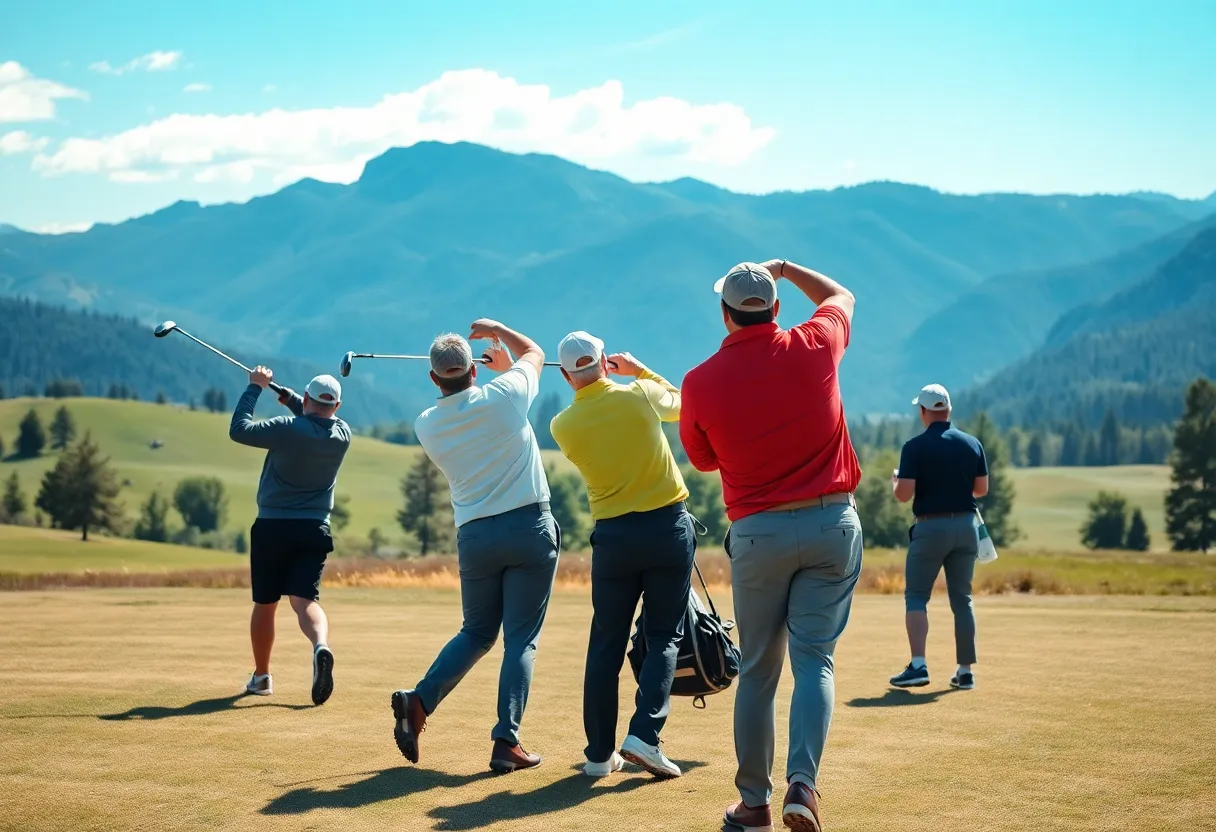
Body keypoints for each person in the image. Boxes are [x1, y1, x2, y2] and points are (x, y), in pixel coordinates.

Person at [681, 260, 862, 832]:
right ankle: (802, 786)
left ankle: (755, 804)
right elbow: (841, 295)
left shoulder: (700, 380)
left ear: (725, 314)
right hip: (833, 525)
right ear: (778, 308)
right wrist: (785, 268)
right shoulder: (815, 343)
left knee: (760, 670)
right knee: (815, 663)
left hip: (758, 533)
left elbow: (704, 459)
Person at [391, 319, 560, 774]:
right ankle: (507, 741)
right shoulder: (505, 395)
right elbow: (537, 351)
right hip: (528, 527)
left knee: (477, 633)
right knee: (520, 639)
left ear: (433, 379)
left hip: (475, 537)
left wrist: (500, 370)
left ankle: (420, 701)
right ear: (475, 370)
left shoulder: (427, 425)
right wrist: (497, 332)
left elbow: (483, 392)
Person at [549, 331, 694, 781]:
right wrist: (642, 370)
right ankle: (644, 737)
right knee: (664, 635)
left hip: (612, 538)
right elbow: (683, 404)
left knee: (605, 644)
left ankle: (597, 756)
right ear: (605, 363)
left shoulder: (562, 426)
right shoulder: (642, 395)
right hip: (667, 529)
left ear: (569, 376)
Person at [229, 368, 351, 706]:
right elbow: (314, 419)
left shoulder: (286, 428)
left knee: (266, 604)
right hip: (314, 529)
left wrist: (255, 388)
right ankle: (320, 646)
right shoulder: (342, 434)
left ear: (309, 398)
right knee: (304, 601)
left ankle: (262, 676)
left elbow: (239, 430)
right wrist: (288, 398)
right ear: (337, 407)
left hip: (272, 527)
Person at [889, 383, 988, 692]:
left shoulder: (914, 447)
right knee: (962, 599)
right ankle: (964, 671)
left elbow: (904, 496)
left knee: (917, 596)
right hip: (966, 527)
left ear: (923, 411)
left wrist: (895, 482)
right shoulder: (972, 443)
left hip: (930, 528)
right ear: (948, 410)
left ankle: (918, 665)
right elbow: (981, 489)